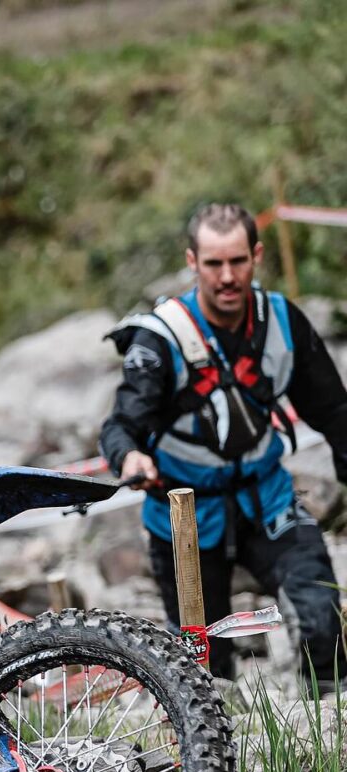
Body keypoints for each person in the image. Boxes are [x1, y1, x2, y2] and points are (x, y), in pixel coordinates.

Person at [100, 202, 347, 691]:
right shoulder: (160, 339)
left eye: (238, 261)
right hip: (184, 517)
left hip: (268, 499)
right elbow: (120, 425)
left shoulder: (282, 322)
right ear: (192, 262)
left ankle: (328, 722)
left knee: (322, 616)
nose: (228, 277)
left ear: (257, 255)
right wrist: (130, 456)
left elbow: (335, 413)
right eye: (214, 263)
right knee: (205, 671)